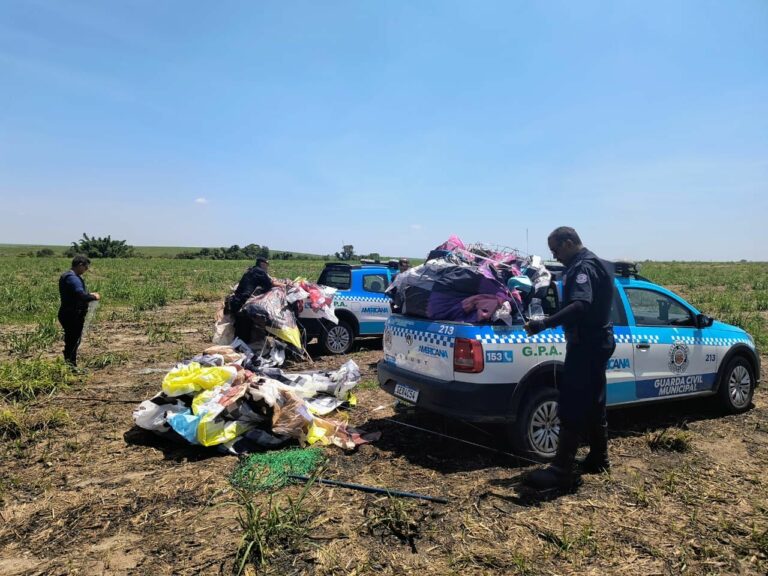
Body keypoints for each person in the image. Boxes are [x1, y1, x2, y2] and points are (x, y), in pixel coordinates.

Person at [523, 227, 615, 491]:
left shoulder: (581, 268)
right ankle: (599, 458)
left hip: (586, 344)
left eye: (556, 250)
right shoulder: (599, 263)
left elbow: (580, 306)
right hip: (600, 341)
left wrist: (545, 324)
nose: (556, 256)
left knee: (572, 403)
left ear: (569, 242)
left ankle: (562, 470)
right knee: (595, 400)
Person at [58, 255, 100, 367]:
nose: (87, 270)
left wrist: (89, 295)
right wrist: (93, 297)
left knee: (72, 341)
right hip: (72, 315)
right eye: (86, 267)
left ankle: (70, 365)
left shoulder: (68, 276)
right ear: (80, 265)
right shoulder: (73, 278)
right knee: (73, 342)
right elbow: (81, 296)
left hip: (68, 313)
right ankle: (71, 367)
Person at [229, 257, 274, 341]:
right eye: (266, 265)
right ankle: (242, 349)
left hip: (235, 302)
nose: (267, 267)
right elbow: (268, 286)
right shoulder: (260, 272)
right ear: (262, 264)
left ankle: (237, 346)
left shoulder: (251, 270)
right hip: (244, 304)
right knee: (245, 332)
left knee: (239, 331)